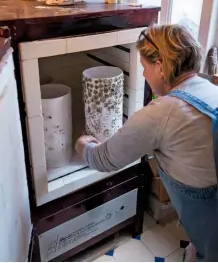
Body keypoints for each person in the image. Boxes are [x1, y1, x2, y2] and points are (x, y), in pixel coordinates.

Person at [75, 24, 218, 262]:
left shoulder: (162, 113)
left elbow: (103, 159)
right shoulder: (211, 88)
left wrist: (82, 144)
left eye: (144, 67)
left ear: (160, 66)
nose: (142, 75)